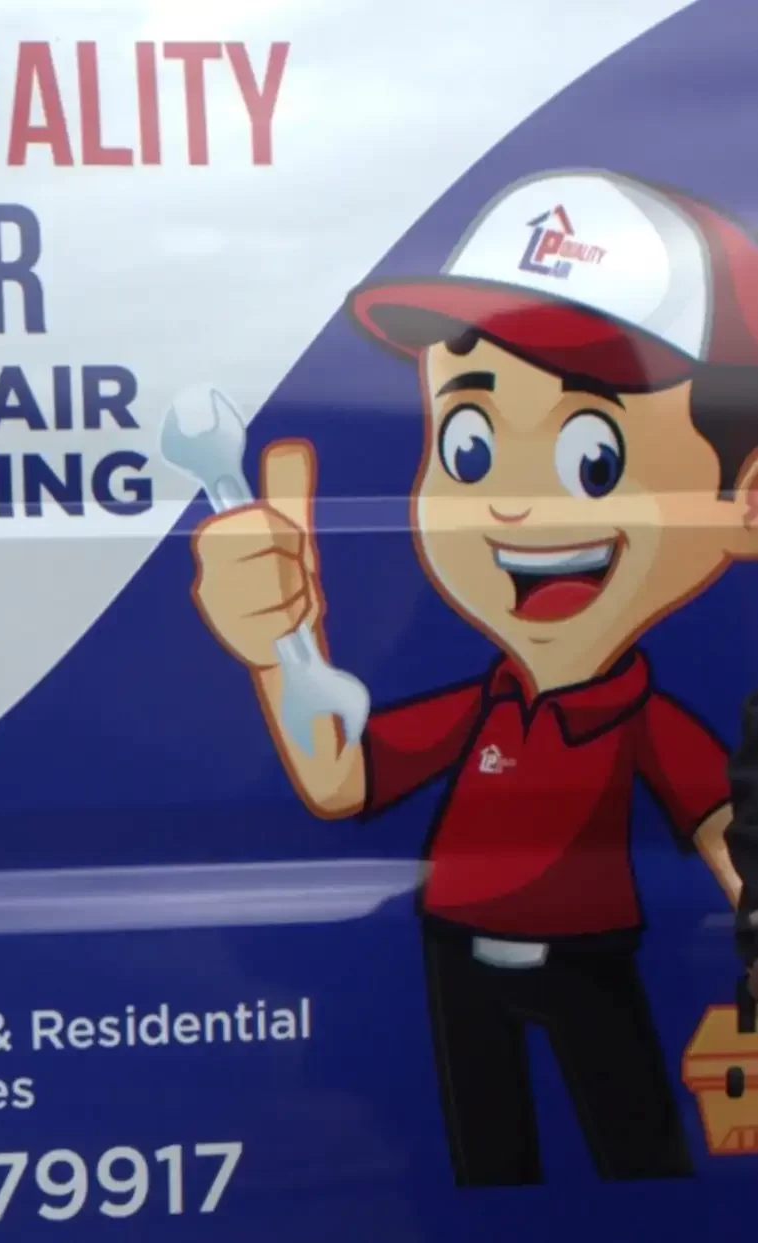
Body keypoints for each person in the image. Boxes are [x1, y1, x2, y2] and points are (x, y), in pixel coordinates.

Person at [189, 168, 758, 1186]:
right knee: (482, 1160)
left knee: (636, 1147)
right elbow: (340, 781)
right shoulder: (477, 700)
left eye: (592, 457)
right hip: (456, 951)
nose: (511, 508)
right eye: (468, 446)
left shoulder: (640, 716)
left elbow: (729, 834)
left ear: (742, 498)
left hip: (591, 960)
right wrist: (280, 649)